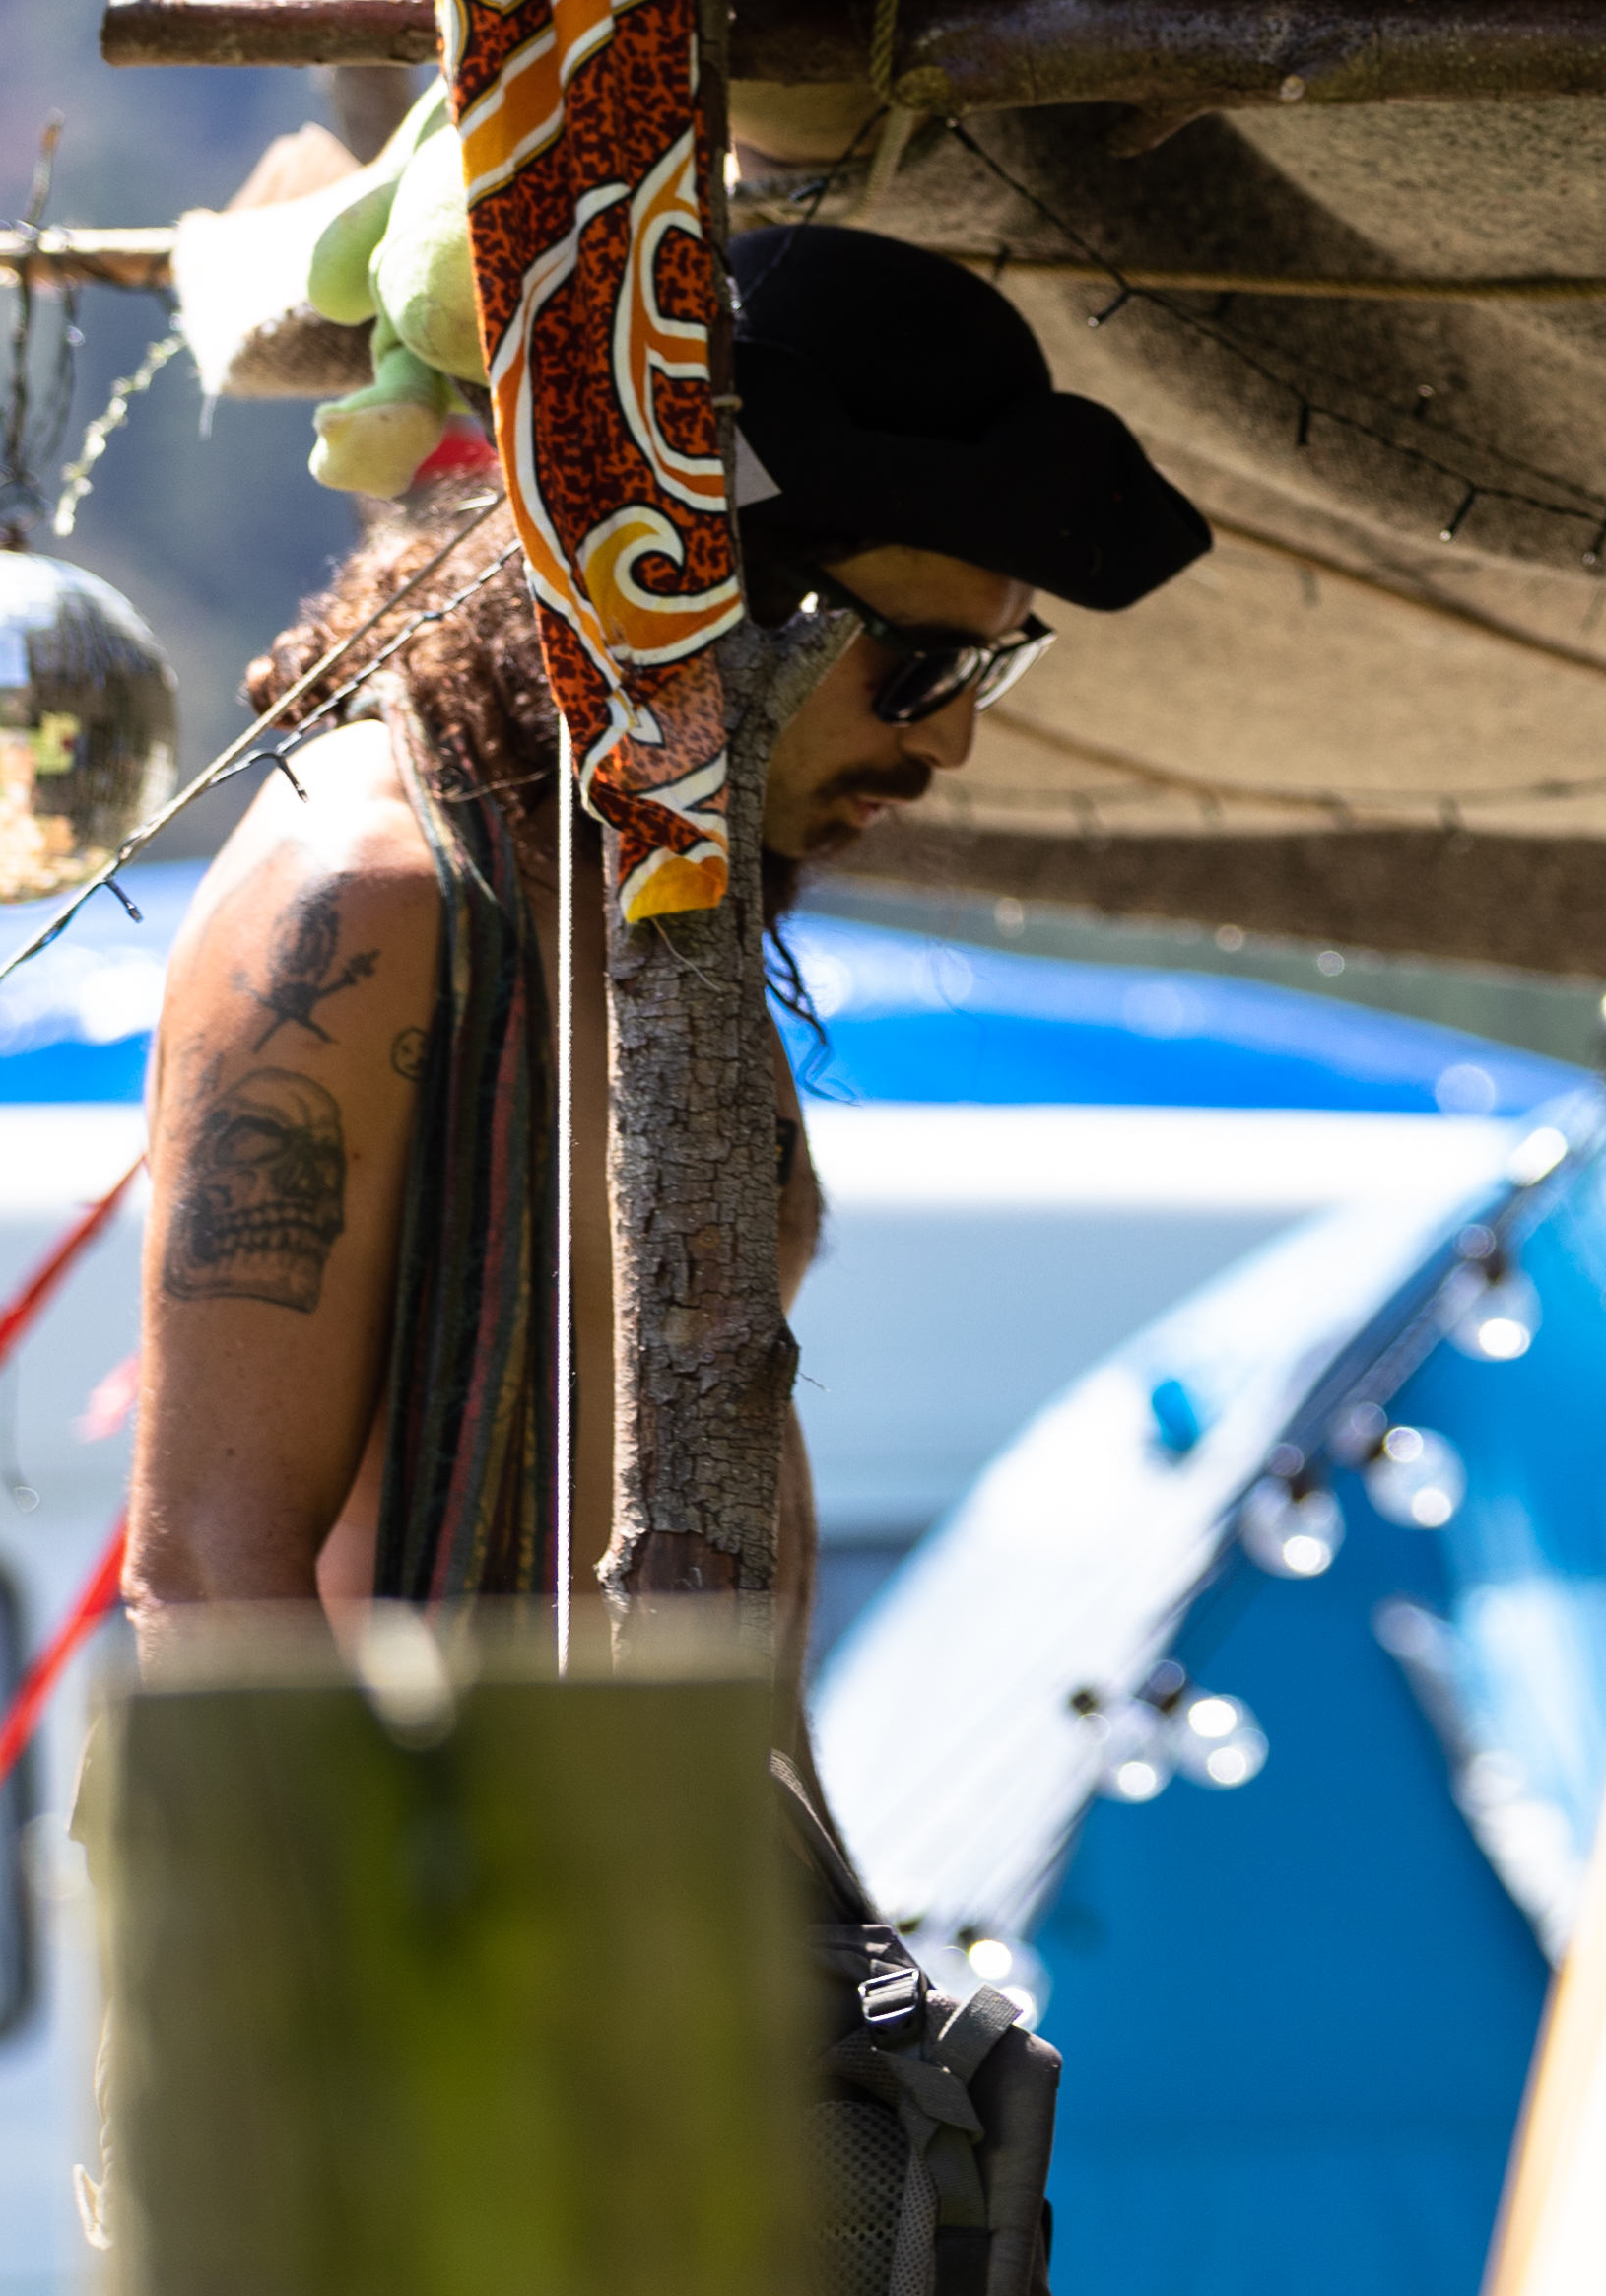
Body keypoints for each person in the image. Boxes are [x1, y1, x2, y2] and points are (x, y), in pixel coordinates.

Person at [121, 222, 1209, 1628]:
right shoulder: (375, 900)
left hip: (668, 1837)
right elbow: (210, 1577)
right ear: (714, 594)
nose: (949, 746)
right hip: (452, 1841)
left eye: (988, 670)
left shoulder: (638, 890)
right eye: (922, 663)